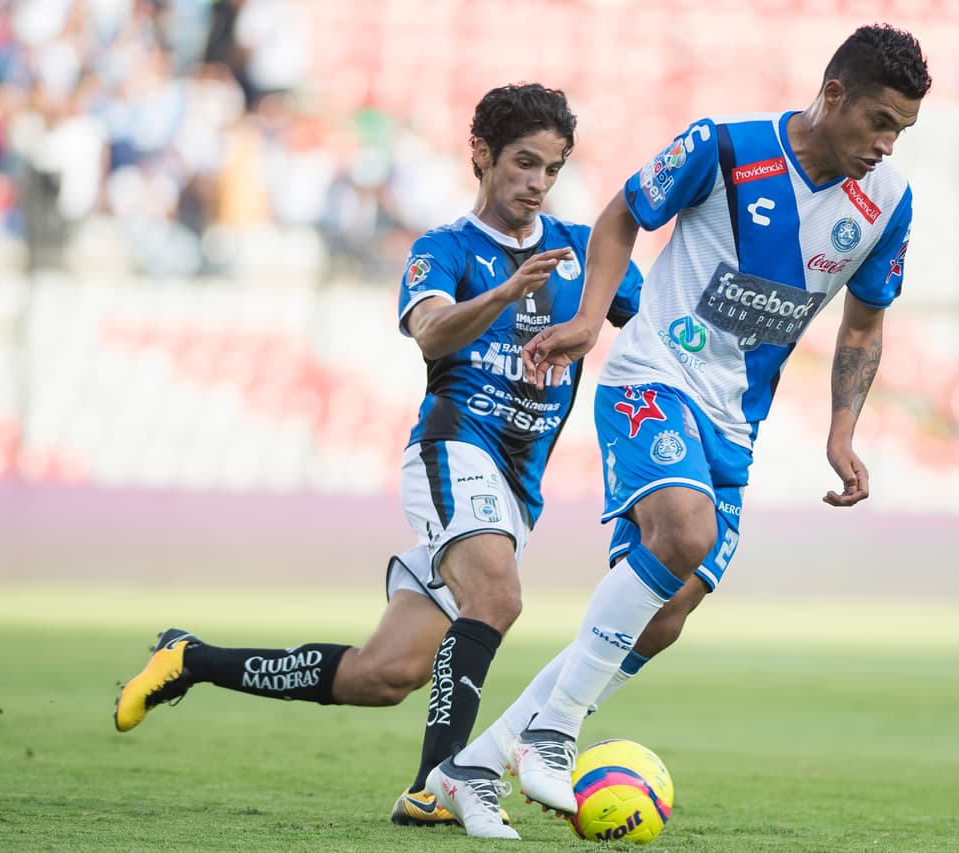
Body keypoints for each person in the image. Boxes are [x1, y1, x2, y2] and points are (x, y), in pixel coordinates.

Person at [427, 24, 932, 835]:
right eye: (879, 121)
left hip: (736, 421)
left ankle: (474, 765)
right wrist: (590, 318)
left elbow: (865, 323)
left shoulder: (888, 203)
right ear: (833, 95)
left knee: (662, 616)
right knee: (685, 532)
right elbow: (621, 213)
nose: (886, 144)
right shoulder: (724, 148)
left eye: (901, 130)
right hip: (654, 376)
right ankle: (554, 735)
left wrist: (842, 431)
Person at [110, 83, 647, 837]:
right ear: (482, 154)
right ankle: (436, 785)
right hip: (452, 449)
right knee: (497, 596)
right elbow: (430, 333)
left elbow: (655, 323)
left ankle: (189, 660)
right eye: (524, 162)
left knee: (383, 674)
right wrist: (503, 293)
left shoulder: (581, 251)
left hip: (517, 488)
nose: (538, 182)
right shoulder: (444, 249)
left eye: (552, 169)